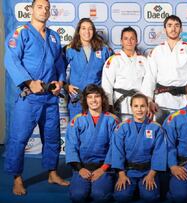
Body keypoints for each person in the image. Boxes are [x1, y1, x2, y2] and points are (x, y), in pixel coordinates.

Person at [4, 0, 69, 196]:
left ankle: (52, 173)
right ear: (31, 10)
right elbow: (11, 59)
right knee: (19, 139)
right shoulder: (21, 32)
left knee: (52, 137)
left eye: (47, 8)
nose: (44, 10)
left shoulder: (54, 37)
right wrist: (28, 82)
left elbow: (59, 63)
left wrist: (60, 82)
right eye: (40, 7)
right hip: (29, 97)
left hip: (50, 98)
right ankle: (17, 178)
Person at [142, 15, 187, 123]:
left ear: (181, 29)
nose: (173, 29)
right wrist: (149, 100)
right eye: (170, 25)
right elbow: (150, 77)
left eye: (176, 25)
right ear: (165, 29)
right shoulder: (156, 51)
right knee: (161, 135)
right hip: (161, 102)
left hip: (183, 102)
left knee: (183, 135)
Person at [65, 84, 119, 202]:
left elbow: (115, 148)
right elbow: (71, 147)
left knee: (100, 195)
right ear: (85, 100)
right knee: (77, 196)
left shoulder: (112, 120)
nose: (94, 100)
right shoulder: (77, 120)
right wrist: (80, 169)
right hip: (82, 167)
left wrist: (103, 169)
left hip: (104, 167)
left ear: (102, 99)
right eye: (90, 97)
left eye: (97, 96)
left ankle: (107, 180)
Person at [112, 93, 167, 203]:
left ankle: (144, 187)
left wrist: (151, 175)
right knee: (121, 197)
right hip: (128, 171)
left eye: (142, 106)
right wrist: (121, 175)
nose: (139, 109)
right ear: (131, 107)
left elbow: (159, 153)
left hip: (148, 171)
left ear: (147, 107)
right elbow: (117, 152)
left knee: (150, 198)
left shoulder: (156, 128)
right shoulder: (122, 128)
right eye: (136, 106)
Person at [64, 18, 112, 120]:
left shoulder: (104, 49)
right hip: (77, 96)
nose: (87, 32)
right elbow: (58, 69)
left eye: (90, 29)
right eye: (83, 28)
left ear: (94, 31)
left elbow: (113, 70)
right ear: (79, 31)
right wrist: (66, 85)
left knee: (97, 130)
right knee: (76, 128)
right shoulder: (70, 49)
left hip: (95, 98)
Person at [102, 27, 148, 121]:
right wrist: (109, 105)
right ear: (121, 41)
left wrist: (148, 101)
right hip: (120, 102)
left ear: (136, 41)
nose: (129, 41)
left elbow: (148, 83)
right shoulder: (114, 60)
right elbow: (107, 84)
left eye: (132, 38)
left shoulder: (144, 60)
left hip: (139, 104)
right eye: (126, 38)